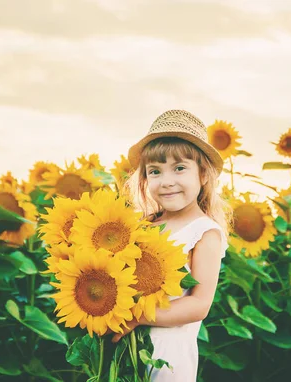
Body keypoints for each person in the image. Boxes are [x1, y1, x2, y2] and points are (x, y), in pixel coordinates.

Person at [113, 109, 231, 381]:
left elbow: (198, 305)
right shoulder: (144, 225)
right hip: (126, 352)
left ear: (203, 175)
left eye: (179, 168)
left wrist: (136, 317)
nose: (166, 181)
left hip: (168, 356)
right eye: (155, 171)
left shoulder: (204, 232)